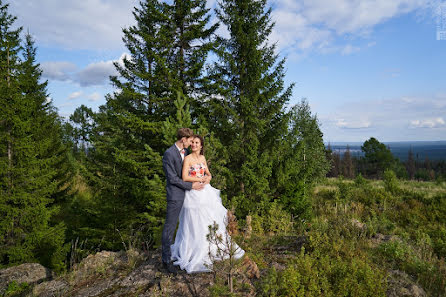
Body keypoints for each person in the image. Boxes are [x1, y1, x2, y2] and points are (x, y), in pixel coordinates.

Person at [170, 135, 245, 273]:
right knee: (194, 219)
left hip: (205, 190)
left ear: (201, 146)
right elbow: (185, 176)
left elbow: (208, 173)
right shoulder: (188, 158)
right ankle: (194, 248)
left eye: (197, 142)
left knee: (210, 217)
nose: (193, 144)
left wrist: (208, 177)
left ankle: (211, 246)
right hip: (193, 191)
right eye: (192, 142)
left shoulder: (203, 158)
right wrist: (198, 178)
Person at [161, 128, 206, 274]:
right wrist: (191, 185)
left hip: (189, 196)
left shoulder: (185, 153)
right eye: (190, 140)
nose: (191, 143)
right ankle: (166, 261)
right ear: (183, 139)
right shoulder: (169, 154)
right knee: (170, 227)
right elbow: (172, 178)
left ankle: (189, 252)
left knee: (189, 225)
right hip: (175, 195)